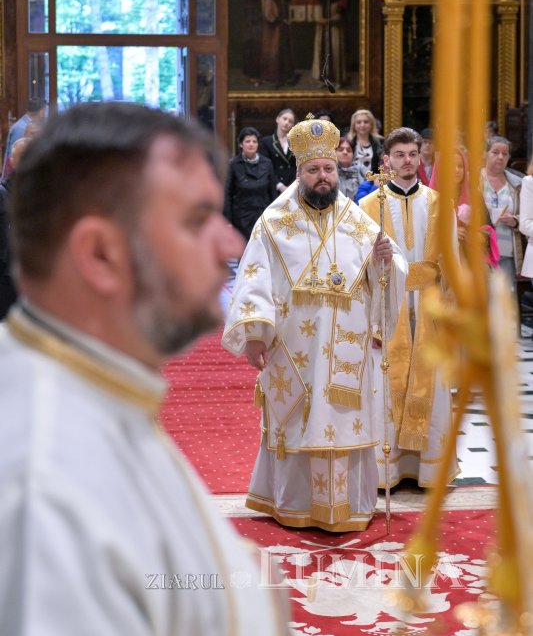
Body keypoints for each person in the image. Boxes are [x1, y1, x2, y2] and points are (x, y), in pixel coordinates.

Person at [0, 103, 290, 636]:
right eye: (196, 220)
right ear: (101, 254)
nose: (230, 244)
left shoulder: (95, 387)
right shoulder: (45, 486)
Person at [222, 115, 407, 532]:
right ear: (298, 173)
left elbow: (389, 269)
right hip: (295, 347)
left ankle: (348, 506)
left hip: (347, 347)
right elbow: (254, 278)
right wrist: (254, 336)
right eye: (313, 170)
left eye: (328, 169)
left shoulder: (357, 220)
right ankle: (293, 503)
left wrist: (384, 262)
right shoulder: (273, 222)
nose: (323, 176)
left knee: (343, 422)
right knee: (296, 422)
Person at [360, 127, 458, 489]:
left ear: (421, 157)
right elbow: (361, 269)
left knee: (432, 383)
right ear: (387, 160)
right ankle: (389, 470)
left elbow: (452, 263)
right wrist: (371, 320)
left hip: (429, 306)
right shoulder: (368, 207)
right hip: (390, 306)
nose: (407, 161)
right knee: (387, 387)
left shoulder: (439, 204)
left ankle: (427, 469)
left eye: (413, 154)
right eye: (399, 155)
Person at [481, 135, 523, 290]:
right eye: (495, 152)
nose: (500, 157)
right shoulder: (473, 180)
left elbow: (527, 216)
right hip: (480, 252)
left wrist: (514, 220)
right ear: (485, 154)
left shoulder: (517, 184)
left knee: (505, 299)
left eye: (505, 154)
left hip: (506, 253)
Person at [223, 126, 277, 240]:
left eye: (254, 141)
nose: (251, 144)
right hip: (241, 218)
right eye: (247, 141)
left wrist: (274, 215)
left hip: (262, 215)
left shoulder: (267, 163)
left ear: (258, 144)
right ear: (241, 144)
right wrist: (227, 221)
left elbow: (272, 192)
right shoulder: (233, 164)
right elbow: (227, 194)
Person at [0, 138, 31, 319]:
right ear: (12, 160)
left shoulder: (41, 192)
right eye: (22, 157)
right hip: (6, 274)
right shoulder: (3, 193)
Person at [311, 0, 349, 88]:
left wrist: (329, 20)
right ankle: (323, 79)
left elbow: (341, 14)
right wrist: (319, 19)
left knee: (335, 52)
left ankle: (338, 80)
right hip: (321, 29)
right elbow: (315, 12)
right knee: (321, 52)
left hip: (335, 29)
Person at [260, 0, 296, 87]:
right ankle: (275, 78)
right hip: (274, 31)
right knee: (275, 53)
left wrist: (287, 20)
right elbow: (268, 16)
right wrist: (281, 20)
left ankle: (286, 77)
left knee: (285, 52)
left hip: (283, 29)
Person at [2, 97, 47, 179]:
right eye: (33, 134)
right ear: (42, 112)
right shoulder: (22, 128)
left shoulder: (25, 125)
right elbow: (16, 158)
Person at [242, 0, 270, 87]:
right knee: (254, 51)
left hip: (265, 27)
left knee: (264, 51)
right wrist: (259, 18)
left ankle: (263, 75)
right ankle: (253, 76)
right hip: (254, 27)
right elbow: (250, 11)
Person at [260, 108, 297, 194]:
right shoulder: (267, 142)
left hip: (292, 188)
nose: (287, 123)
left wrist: (291, 186)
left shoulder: (296, 143)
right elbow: (265, 167)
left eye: (290, 121)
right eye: (284, 119)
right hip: (274, 187)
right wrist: (280, 186)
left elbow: (298, 167)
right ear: (277, 119)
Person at [344, 108, 383, 183]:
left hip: (373, 182)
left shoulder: (380, 142)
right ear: (354, 125)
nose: (362, 125)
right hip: (350, 181)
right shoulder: (347, 141)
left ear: (371, 124)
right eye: (359, 122)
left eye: (366, 122)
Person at [336, 135, 359, 200]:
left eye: (349, 150)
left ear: (353, 154)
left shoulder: (362, 172)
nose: (345, 152)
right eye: (340, 150)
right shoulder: (329, 172)